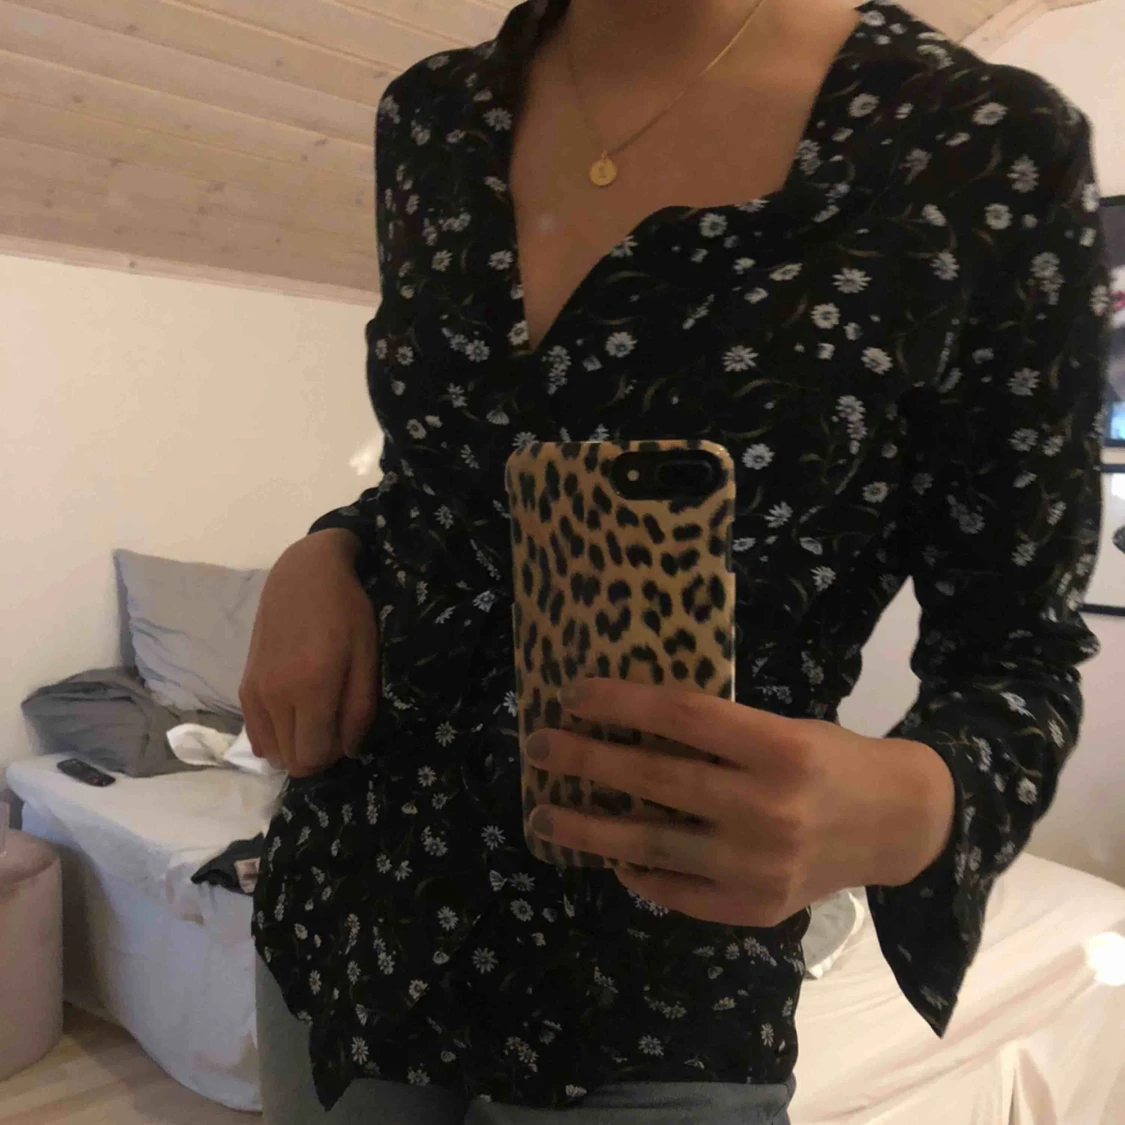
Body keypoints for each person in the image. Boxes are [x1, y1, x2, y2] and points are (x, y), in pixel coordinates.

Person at [241, 0, 1112, 1121]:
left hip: (660, 982)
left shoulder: (979, 142)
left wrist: (909, 807)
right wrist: (328, 547)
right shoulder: (432, 118)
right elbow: (443, 480)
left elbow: (1017, 658)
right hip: (352, 909)